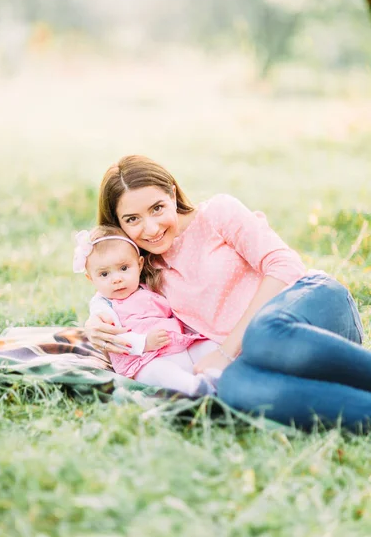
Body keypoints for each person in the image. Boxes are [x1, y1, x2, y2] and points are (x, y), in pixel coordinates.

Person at [85, 154, 371, 431]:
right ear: (118, 225)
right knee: (235, 390)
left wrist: (226, 350)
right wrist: (96, 323)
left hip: (312, 307)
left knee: (262, 333)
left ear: (172, 195)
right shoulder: (141, 271)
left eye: (157, 208)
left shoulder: (217, 214)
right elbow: (112, 298)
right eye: (132, 219)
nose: (151, 227)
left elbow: (285, 265)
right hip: (266, 356)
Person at [74, 225, 219, 396]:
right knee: (162, 372)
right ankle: (193, 388)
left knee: (208, 347)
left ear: (139, 264)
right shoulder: (103, 305)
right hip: (143, 360)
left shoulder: (149, 288)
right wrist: (144, 343)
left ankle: (220, 376)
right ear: (90, 278)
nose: (117, 279)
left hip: (178, 345)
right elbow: (112, 336)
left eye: (124, 268)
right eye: (104, 274)